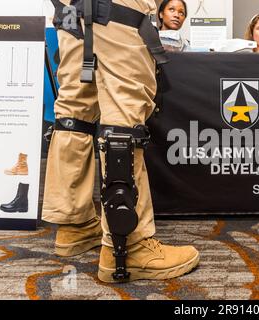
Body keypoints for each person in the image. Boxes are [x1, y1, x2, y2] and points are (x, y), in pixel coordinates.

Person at [44, 0, 199, 283]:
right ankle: (131, 245)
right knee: (124, 118)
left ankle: (73, 224)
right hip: (118, 13)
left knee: (74, 114)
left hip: (69, 12)